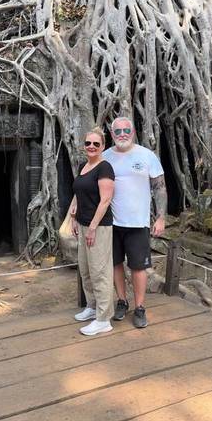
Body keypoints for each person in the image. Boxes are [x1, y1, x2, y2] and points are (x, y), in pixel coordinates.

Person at [106, 116, 166, 329]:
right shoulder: (105, 157)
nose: (122, 134)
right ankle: (122, 301)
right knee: (115, 264)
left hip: (138, 223)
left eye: (126, 130)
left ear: (132, 132)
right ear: (112, 134)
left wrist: (160, 217)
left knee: (138, 267)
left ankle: (140, 307)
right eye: (117, 131)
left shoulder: (146, 155)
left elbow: (159, 187)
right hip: (110, 223)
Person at [69, 126, 115, 336]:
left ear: (103, 147)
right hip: (84, 224)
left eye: (96, 144)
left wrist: (93, 228)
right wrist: (74, 216)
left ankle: (104, 318)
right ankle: (92, 306)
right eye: (88, 143)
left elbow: (105, 200)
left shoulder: (104, 168)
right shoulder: (83, 166)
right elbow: (78, 193)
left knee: (100, 272)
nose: (91, 147)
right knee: (85, 269)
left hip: (99, 227)